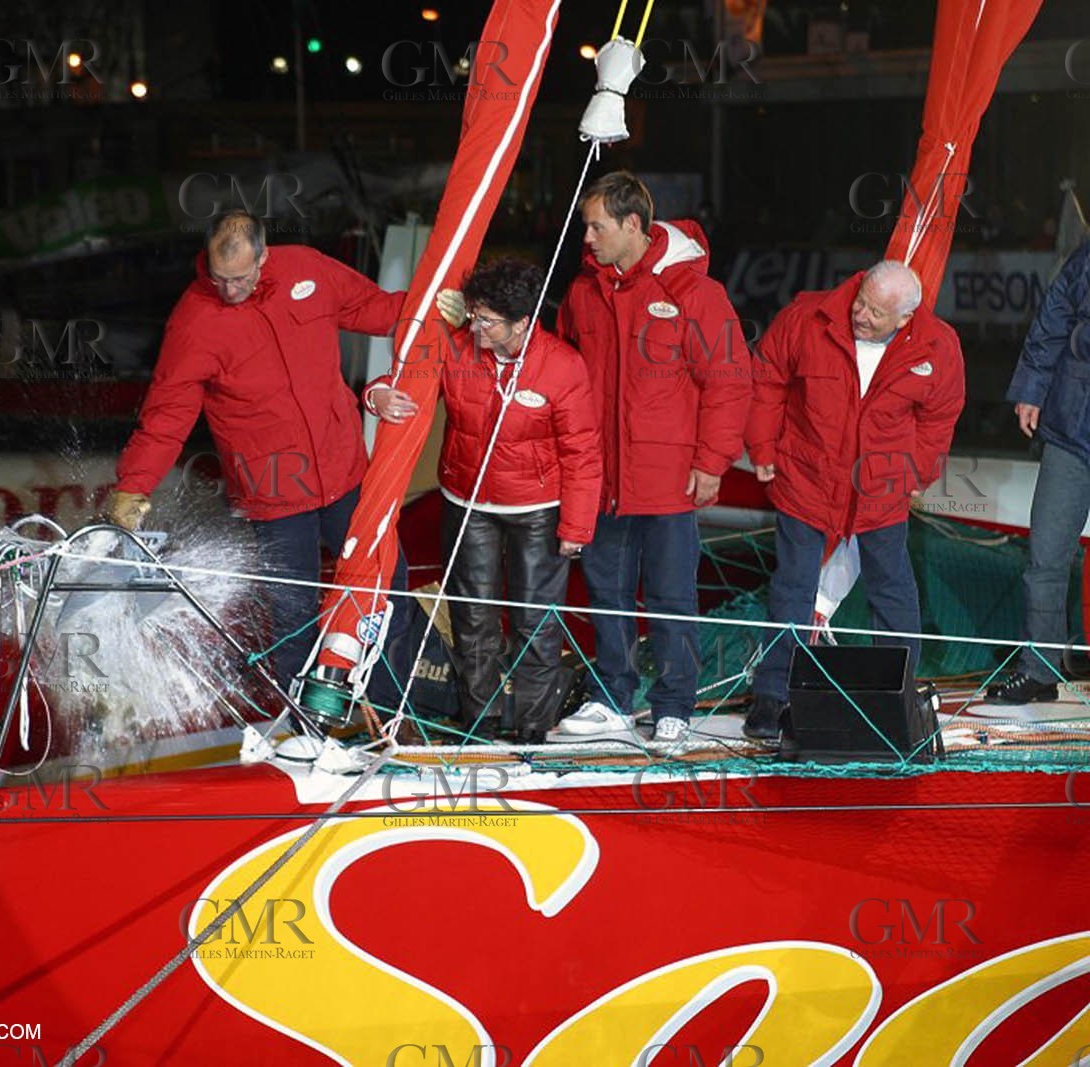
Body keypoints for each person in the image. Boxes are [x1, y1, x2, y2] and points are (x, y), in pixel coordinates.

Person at [109, 212, 408, 691]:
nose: (229, 290)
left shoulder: (307, 269)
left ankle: (395, 702)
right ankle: (302, 716)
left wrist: (438, 309)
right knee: (292, 612)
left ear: (264, 256)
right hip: (274, 492)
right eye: (219, 278)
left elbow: (376, 308)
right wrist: (133, 486)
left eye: (240, 278)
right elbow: (166, 415)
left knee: (387, 585)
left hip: (344, 470)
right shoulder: (194, 321)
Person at [553, 171, 752, 744]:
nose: (587, 238)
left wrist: (712, 462)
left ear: (632, 224)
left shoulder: (694, 293)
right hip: (602, 477)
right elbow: (560, 365)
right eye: (586, 226)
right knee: (607, 593)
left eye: (597, 227)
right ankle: (612, 698)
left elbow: (729, 381)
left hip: (668, 480)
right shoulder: (584, 290)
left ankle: (674, 706)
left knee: (671, 597)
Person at [367, 258, 602, 742]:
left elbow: (582, 452)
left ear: (522, 323)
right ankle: (480, 722)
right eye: (473, 316)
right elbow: (403, 377)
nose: (475, 327)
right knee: (472, 616)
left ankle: (533, 727)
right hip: (467, 501)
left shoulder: (563, 366)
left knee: (534, 621)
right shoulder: (457, 348)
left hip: (536, 509)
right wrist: (377, 394)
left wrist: (576, 528)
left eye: (487, 321)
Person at [743, 261, 965, 738]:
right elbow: (768, 378)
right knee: (792, 588)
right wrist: (761, 445)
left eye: (876, 313)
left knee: (893, 591)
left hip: (880, 489)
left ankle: (896, 694)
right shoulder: (807, 317)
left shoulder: (938, 345)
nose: (861, 315)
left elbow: (940, 414)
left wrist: (919, 470)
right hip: (807, 480)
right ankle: (772, 694)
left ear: (905, 318)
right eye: (861, 302)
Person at [988, 240, 1090, 703]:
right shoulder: (1086, 257)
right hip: (1071, 425)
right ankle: (1040, 670)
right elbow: (1053, 319)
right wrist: (1031, 389)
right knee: (1046, 555)